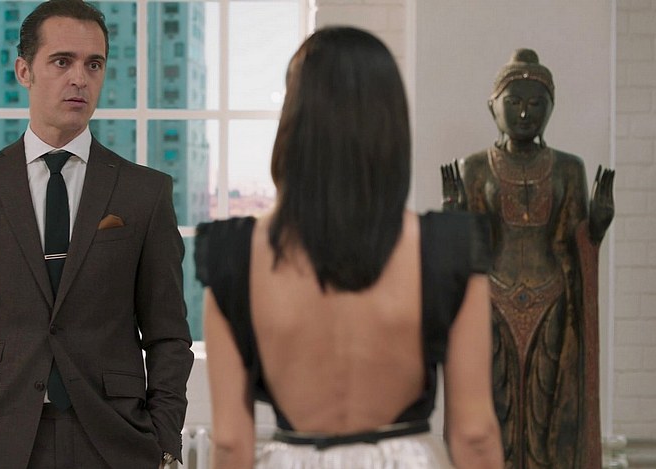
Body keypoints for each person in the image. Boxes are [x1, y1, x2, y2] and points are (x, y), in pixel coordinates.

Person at [194, 26, 503, 469]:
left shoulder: (232, 255)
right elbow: (475, 434)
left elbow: (229, 443)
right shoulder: (450, 248)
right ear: (391, 123)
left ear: (294, 121)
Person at [0, 1, 193, 468]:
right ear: (24, 71)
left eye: (93, 64)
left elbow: (168, 334)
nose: (79, 78)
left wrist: (164, 440)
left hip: (117, 442)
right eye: (62, 61)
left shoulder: (145, 193)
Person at [441, 49, 614, 468]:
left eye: (536, 104)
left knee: (549, 410)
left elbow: (573, 244)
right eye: (514, 102)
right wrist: (455, 221)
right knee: (493, 404)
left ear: (551, 108)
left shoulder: (568, 169)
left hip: (552, 299)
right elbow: (471, 250)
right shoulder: (474, 167)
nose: (524, 114)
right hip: (492, 300)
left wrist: (596, 226)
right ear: (493, 107)